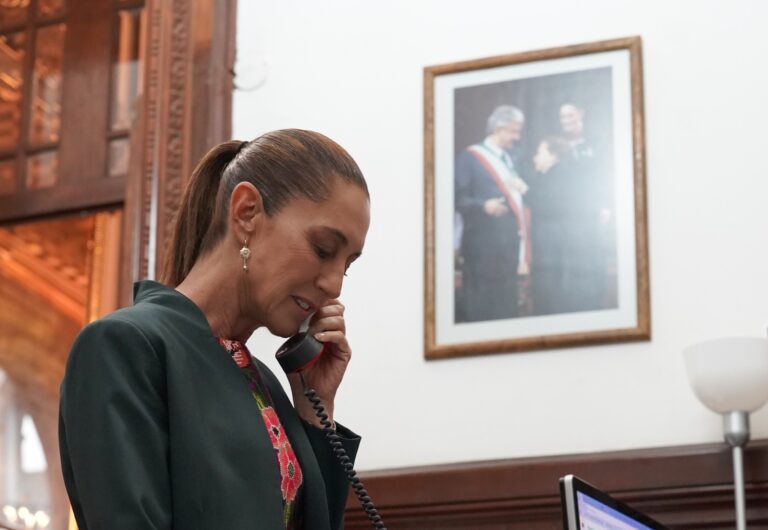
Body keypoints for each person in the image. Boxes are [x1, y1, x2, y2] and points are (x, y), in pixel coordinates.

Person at [58, 129, 371, 530]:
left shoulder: (266, 385)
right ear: (246, 213)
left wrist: (316, 407)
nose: (335, 284)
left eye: (347, 265)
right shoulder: (125, 347)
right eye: (324, 250)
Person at [454, 105, 530, 323]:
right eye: (514, 131)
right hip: (481, 247)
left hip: (507, 246)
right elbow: (457, 198)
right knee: (482, 304)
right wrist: (483, 206)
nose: (516, 138)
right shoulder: (470, 158)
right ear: (499, 128)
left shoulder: (511, 160)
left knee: (506, 304)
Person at [526, 137, 577, 315]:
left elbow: (549, 206)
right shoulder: (543, 177)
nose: (535, 158)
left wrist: (524, 192)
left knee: (551, 291)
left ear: (553, 155)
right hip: (547, 242)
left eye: (540, 153)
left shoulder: (563, 175)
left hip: (555, 244)